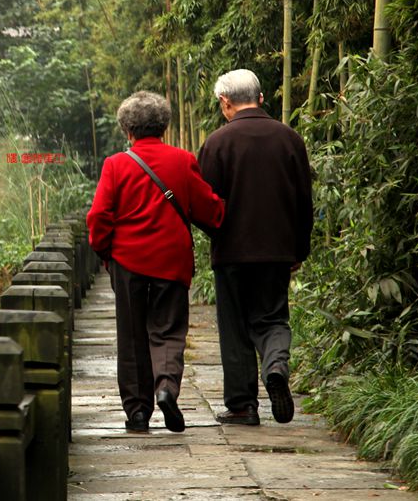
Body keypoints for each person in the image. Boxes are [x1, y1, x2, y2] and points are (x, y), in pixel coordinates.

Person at [87, 91, 225, 433]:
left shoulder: (116, 164)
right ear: (163, 126)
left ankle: (137, 411)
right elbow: (209, 210)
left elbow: (99, 216)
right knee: (167, 331)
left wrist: (105, 251)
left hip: (128, 261)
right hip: (171, 261)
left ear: (127, 130)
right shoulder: (182, 160)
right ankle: (166, 387)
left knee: (132, 336)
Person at [197, 69, 313, 426]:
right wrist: (299, 249)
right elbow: (303, 201)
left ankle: (243, 406)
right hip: (277, 250)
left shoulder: (217, 143)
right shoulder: (289, 139)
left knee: (234, 327)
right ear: (261, 98)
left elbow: (203, 202)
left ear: (224, 102)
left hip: (232, 252)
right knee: (273, 317)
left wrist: (215, 233)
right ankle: (276, 363)